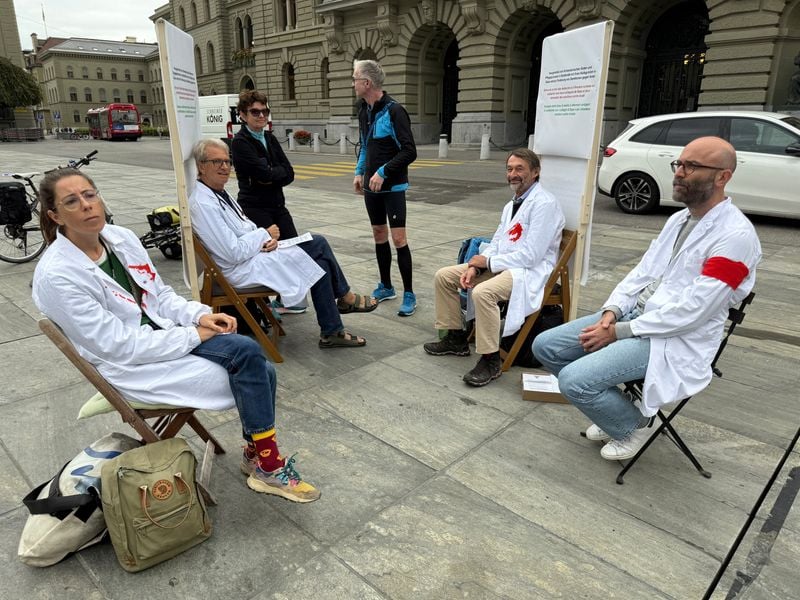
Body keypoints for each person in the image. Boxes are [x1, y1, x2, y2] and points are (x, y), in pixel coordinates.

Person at [31, 168, 320, 503]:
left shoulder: (120, 238)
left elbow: (161, 295)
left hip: (164, 338)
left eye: (89, 194)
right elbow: (117, 346)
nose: (85, 205)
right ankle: (265, 464)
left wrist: (200, 315)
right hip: (128, 367)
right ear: (55, 215)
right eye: (71, 201)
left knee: (253, 359)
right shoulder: (57, 275)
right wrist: (195, 335)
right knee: (255, 364)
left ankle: (260, 459)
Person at [532, 136, 761, 461]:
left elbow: (694, 312)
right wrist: (612, 311)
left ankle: (633, 425)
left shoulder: (736, 237)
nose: (679, 172)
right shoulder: (679, 219)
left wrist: (618, 332)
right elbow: (642, 273)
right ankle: (615, 414)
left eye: (691, 166)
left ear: (722, 176)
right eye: (678, 164)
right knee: (547, 346)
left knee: (574, 381)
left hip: (675, 337)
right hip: (636, 318)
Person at [189, 138, 376, 349]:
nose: (224, 167)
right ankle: (346, 298)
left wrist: (266, 240)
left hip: (254, 255)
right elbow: (232, 252)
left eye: (227, 161)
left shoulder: (220, 192)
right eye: (217, 162)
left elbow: (244, 228)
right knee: (318, 243)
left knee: (320, 264)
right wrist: (263, 235)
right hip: (239, 269)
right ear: (201, 165)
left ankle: (332, 331)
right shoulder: (203, 203)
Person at [423, 149, 565, 387]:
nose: (513, 174)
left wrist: (487, 263)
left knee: (483, 293)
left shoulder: (545, 204)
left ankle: (490, 360)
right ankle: (456, 338)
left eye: (520, 169)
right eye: (510, 169)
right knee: (445, 276)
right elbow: (499, 241)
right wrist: (476, 267)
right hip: (504, 264)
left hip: (529, 272)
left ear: (536, 172)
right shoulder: (512, 204)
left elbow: (531, 256)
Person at [352, 59, 418, 317]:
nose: (353, 83)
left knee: (398, 239)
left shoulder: (395, 111)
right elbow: (366, 145)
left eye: (355, 78)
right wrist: (360, 172)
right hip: (371, 188)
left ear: (367, 83)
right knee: (379, 235)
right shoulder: (363, 111)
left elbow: (410, 151)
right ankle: (386, 286)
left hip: (392, 187)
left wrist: (383, 171)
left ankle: (409, 293)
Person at [230, 89, 303, 315]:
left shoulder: (269, 138)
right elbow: (264, 174)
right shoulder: (240, 142)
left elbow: (288, 173)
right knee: (265, 254)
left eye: (265, 111)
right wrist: (270, 174)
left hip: (277, 205)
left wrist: (270, 173)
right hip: (254, 207)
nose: (261, 116)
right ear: (242, 114)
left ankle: (285, 299)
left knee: (293, 248)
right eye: (255, 112)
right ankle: (258, 304)